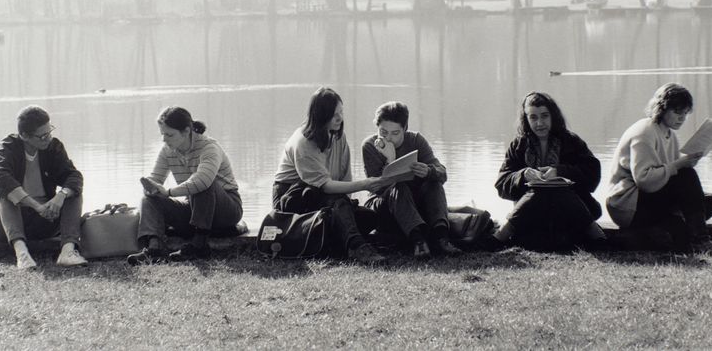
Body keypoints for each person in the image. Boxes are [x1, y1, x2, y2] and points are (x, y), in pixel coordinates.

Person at [272, 87, 393, 264]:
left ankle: (330, 238)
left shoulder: (338, 136)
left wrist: (346, 207)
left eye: (341, 112)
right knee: (335, 201)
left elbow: (344, 177)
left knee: (370, 218)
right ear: (320, 115)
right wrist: (366, 184)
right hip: (292, 196)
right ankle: (357, 247)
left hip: (327, 198)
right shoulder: (303, 143)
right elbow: (327, 186)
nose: (340, 118)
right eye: (334, 114)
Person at [606, 83, 712, 254]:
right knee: (687, 176)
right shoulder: (644, 132)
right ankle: (700, 240)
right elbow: (644, 180)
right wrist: (679, 165)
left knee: (710, 201)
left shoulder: (668, 133)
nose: (681, 118)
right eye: (676, 112)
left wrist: (686, 162)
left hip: (651, 199)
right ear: (661, 109)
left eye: (685, 113)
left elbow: (669, 176)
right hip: (628, 204)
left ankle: (660, 229)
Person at [0, 105, 87, 269]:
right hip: (5, 221)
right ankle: (22, 254)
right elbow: (1, 178)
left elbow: (74, 176)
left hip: (42, 217)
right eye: (42, 136)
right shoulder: (8, 147)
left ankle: (67, 251)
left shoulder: (53, 147)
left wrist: (61, 196)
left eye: (49, 132)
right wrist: (35, 205)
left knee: (73, 192)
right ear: (24, 136)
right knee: (7, 194)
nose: (48, 138)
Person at [127, 106, 244, 264]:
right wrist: (151, 188)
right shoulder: (167, 150)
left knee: (203, 184)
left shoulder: (209, 148)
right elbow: (156, 178)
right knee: (148, 200)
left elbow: (202, 180)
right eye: (163, 134)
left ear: (187, 131)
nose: (164, 139)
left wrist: (168, 192)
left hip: (226, 211)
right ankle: (154, 249)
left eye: (169, 134)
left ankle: (199, 245)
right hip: (196, 211)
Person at [493, 92, 605, 251]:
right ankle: (597, 235)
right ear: (526, 119)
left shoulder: (571, 141)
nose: (539, 123)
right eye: (533, 117)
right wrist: (522, 175)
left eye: (544, 116)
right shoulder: (518, 145)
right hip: (532, 213)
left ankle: (501, 235)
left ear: (553, 116)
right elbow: (501, 184)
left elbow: (593, 174)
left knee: (556, 189)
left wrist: (560, 172)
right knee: (540, 190)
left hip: (570, 211)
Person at [361, 101, 462, 258]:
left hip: (413, 205)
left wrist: (429, 171)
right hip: (384, 205)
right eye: (383, 132)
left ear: (404, 130)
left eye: (395, 133)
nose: (388, 138)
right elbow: (378, 188)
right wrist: (390, 159)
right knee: (399, 187)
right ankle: (419, 242)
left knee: (433, 183)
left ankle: (441, 238)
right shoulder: (369, 145)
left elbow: (443, 173)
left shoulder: (416, 140)